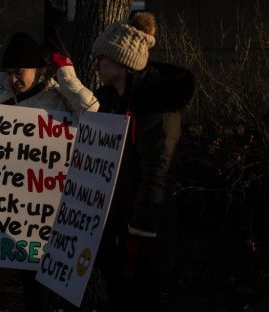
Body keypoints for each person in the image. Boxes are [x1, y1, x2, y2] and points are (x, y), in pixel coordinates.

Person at [0, 32, 100, 311]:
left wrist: (69, 78)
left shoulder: (60, 99)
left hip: (40, 217)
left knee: (38, 294)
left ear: (38, 69)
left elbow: (96, 115)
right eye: (9, 72)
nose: (13, 78)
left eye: (20, 71)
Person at [91, 12, 195, 312]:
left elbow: (157, 178)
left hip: (141, 238)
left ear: (122, 61)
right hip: (113, 233)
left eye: (102, 58)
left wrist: (138, 239)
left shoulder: (157, 110)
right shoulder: (109, 103)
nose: (96, 64)